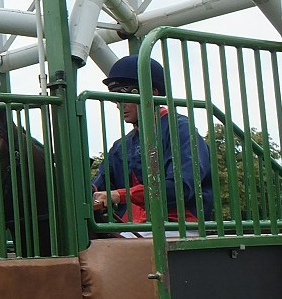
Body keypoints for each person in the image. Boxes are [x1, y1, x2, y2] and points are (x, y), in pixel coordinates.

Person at [91, 55, 214, 223]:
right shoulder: (121, 146)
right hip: (134, 227)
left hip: (179, 223)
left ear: (153, 93)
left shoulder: (180, 129)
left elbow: (180, 187)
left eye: (126, 94)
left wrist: (120, 195)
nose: (120, 105)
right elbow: (98, 186)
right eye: (115, 98)